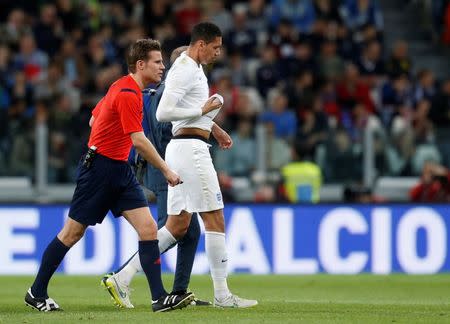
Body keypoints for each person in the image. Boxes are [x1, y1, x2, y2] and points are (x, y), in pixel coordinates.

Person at [24, 39, 197, 313]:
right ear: (141, 65)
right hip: (99, 171)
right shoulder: (129, 94)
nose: (163, 67)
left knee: (148, 229)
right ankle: (36, 292)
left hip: (119, 169)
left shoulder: (120, 86)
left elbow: (95, 120)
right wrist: (166, 170)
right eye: (158, 62)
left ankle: (158, 298)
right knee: (71, 233)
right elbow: (138, 140)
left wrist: (110, 135)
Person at [101, 46, 232, 308]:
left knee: (186, 230)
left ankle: (174, 290)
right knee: (173, 229)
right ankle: (127, 278)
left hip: (167, 166)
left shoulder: (165, 92)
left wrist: (214, 128)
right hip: (166, 168)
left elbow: (186, 115)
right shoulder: (167, 93)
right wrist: (171, 165)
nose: (160, 67)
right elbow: (167, 131)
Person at [156, 22, 258, 308]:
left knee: (176, 225)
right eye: (215, 47)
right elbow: (165, 112)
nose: (218, 53)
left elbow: (191, 116)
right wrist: (201, 111)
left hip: (186, 146)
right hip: (190, 150)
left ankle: (122, 277)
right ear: (201, 44)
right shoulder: (186, 68)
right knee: (215, 219)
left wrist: (213, 126)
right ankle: (222, 295)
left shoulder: (195, 69)